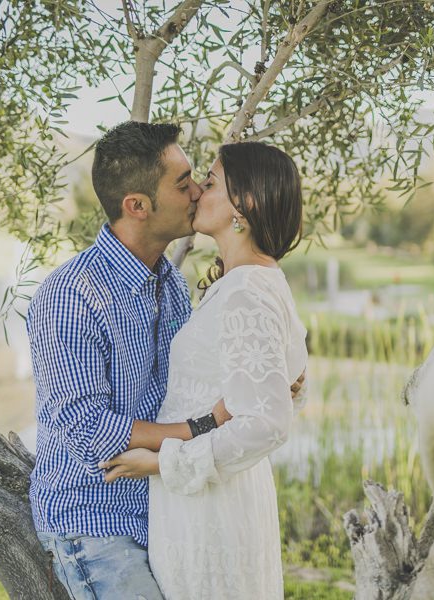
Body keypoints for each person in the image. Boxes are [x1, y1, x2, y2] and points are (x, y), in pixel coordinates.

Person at [27, 121, 232, 599]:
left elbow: (190, 384)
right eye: (183, 184)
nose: (199, 190)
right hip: (94, 521)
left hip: (163, 508)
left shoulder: (173, 285)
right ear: (137, 206)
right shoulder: (72, 295)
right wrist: (199, 429)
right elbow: (86, 428)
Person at [103, 141, 308, 599]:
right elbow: (287, 386)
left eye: (210, 182)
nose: (197, 191)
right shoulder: (254, 280)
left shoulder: (246, 291)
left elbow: (269, 422)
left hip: (210, 504)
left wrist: (164, 462)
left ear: (246, 204)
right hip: (214, 495)